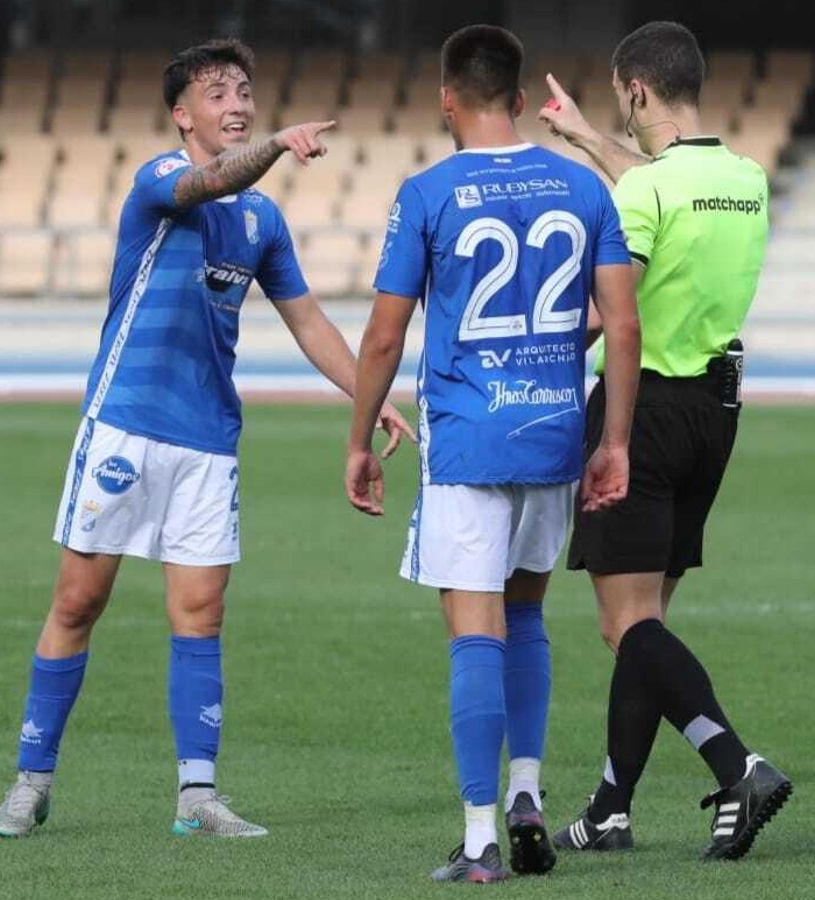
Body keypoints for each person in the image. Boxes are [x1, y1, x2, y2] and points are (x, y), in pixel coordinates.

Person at [0, 38, 414, 839]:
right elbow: (212, 178)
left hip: (208, 440)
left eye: (244, 90)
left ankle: (197, 799)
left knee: (202, 611)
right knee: (79, 601)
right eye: (218, 93)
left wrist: (372, 396)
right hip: (126, 423)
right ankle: (30, 782)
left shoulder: (263, 219)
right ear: (184, 115)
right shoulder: (160, 183)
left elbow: (309, 321)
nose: (237, 103)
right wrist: (277, 146)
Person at [345, 24, 641, 884]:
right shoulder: (584, 188)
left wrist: (360, 439)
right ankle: (527, 792)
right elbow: (621, 324)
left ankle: (479, 841)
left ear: (447, 98)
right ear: (517, 100)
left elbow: (384, 337)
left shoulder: (428, 192)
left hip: (468, 438)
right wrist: (613, 441)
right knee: (527, 617)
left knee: (473, 633)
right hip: (552, 431)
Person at [537, 20, 790, 861]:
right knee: (648, 624)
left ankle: (736, 763)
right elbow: (662, 180)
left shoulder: (641, 196)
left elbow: (618, 309)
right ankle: (609, 808)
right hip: (715, 416)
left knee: (624, 628)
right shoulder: (746, 179)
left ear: (636, 89)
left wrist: (538, 363)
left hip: (640, 413)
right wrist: (583, 136)